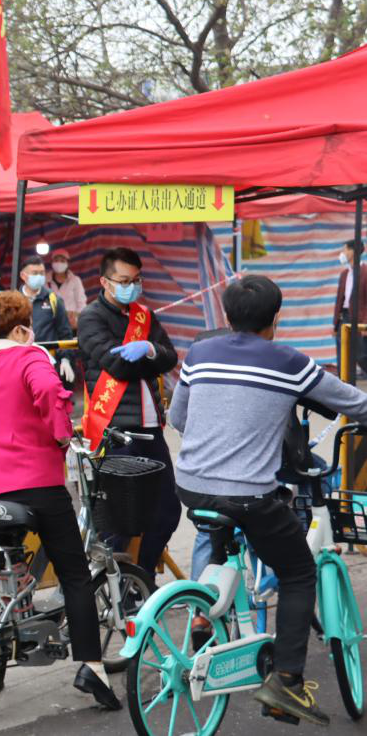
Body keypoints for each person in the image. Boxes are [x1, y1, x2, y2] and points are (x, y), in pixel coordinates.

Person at [170, 275, 367, 724]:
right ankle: (288, 682)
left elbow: (178, 416)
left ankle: (212, 612)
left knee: (228, 530)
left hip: (191, 483)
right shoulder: (289, 362)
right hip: (247, 495)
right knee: (298, 571)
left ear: (225, 316)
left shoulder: (200, 353)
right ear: (276, 319)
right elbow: (353, 402)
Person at [0, 291, 121, 711]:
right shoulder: (29, 356)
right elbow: (51, 393)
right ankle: (91, 666)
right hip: (35, 482)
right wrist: (63, 434)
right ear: (19, 329)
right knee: (74, 574)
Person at [77, 247, 179, 576]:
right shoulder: (91, 316)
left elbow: (170, 356)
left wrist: (148, 349)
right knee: (120, 517)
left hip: (150, 427)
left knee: (167, 510)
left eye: (136, 280)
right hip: (117, 428)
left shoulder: (144, 316)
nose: (130, 286)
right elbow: (116, 366)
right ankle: (117, 585)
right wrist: (152, 360)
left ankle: (143, 574)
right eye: (123, 280)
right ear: (104, 282)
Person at [18, 256, 76, 385]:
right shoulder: (13, 300)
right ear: (23, 275)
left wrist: (66, 359)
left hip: (47, 363)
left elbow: (65, 334)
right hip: (20, 363)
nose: (39, 276)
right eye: (34, 273)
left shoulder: (53, 299)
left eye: (42, 273)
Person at [333, 240, 367, 374]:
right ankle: (344, 387)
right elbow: (340, 301)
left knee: (361, 355)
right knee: (343, 355)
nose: (342, 253)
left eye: (344, 250)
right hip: (344, 318)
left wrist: (365, 323)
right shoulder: (344, 274)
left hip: (359, 318)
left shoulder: (365, 272)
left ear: (353, 251)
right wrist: (336, 324)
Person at [47, 249, 87, 329]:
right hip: (50, 325)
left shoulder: (75, 280)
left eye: (62, 261)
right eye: (56, 260)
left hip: (71, 325)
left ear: (67, 263)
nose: (59, 263)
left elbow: (82, 304)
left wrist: (76, 320)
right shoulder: (45, 281)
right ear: (51, 263)